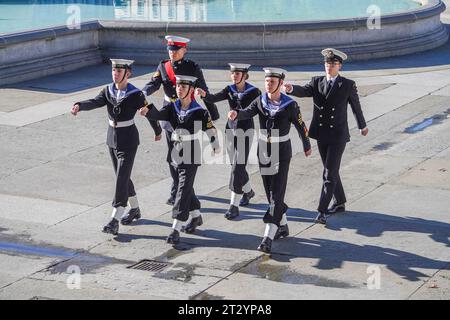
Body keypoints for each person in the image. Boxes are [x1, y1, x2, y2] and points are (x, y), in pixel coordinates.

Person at [70, 59, 162, 235]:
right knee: (123, 177)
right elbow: (95, 102)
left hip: (128, 140)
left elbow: (150, 111)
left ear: (128, 73)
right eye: (114, 70)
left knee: (121, 179)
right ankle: (135, 209)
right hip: (112, 139)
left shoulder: (135, 94)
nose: (116, 74)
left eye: (119, 71)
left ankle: (114, 219)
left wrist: (157, 130)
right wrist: (79, 105)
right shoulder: (108, 90)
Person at [228, 68, 312, 254]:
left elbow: (301, 125)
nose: (268, 84)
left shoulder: (290, 104)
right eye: (267, 81)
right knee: (270, 192)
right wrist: (236, 114)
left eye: (272, 82)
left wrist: (306, 144)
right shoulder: (260, 101)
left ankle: (267, 237)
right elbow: (247, 112)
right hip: (264, 151)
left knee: (277, 192)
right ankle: (283, 226)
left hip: (282, 151)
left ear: (281, 84)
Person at [284, 48, 369, 225]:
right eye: (327, 64)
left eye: (333, 64)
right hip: (322, 133)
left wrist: (362, 125)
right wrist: (291, 88)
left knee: (328, 173)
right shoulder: (317, 81)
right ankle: (340, 202)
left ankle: (322, 211)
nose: (329, 67)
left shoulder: (347, 84)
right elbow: (305, 91)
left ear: (340, 66)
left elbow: (355, 106)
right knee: (331, 170)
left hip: (338, 135)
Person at [140, 75, 221, 245]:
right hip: (175, 151)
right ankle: (196, 216)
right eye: (178, 86)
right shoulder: (172, 107)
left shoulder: (199, 111)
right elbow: (159, 114)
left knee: (182, 190)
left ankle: (176, 228)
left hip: (191, 153)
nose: (179, 89)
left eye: (184, 87)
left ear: (191, 90)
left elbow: (210, 129)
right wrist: (148, 110)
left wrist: (215, 145)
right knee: (182, 186)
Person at [142, 35, 220, 206]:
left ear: (184, 50)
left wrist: (212, 113)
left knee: (185, 154)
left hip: (187, 113)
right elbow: (154, 83)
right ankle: (177, 187)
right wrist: (144, 93)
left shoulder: (192, 67)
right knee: (172, 154)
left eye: (176, 51)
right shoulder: (163, 66)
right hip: (169, 111)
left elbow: (203, 89)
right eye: (170, 50)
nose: (172, 54)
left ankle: (180, 190)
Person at [196, 63, 261, 220]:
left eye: (238, 74)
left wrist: (238, 113)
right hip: (230, 130)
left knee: (237, 168)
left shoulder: (254, 92)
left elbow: (257, 110)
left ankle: (234, 206)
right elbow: (214, 98)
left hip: (246, 131)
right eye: (233, 73)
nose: (235, 76)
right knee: (236, 166)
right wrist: (204, 94)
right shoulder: (229, 89)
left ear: (245, 75)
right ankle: (248, 191)